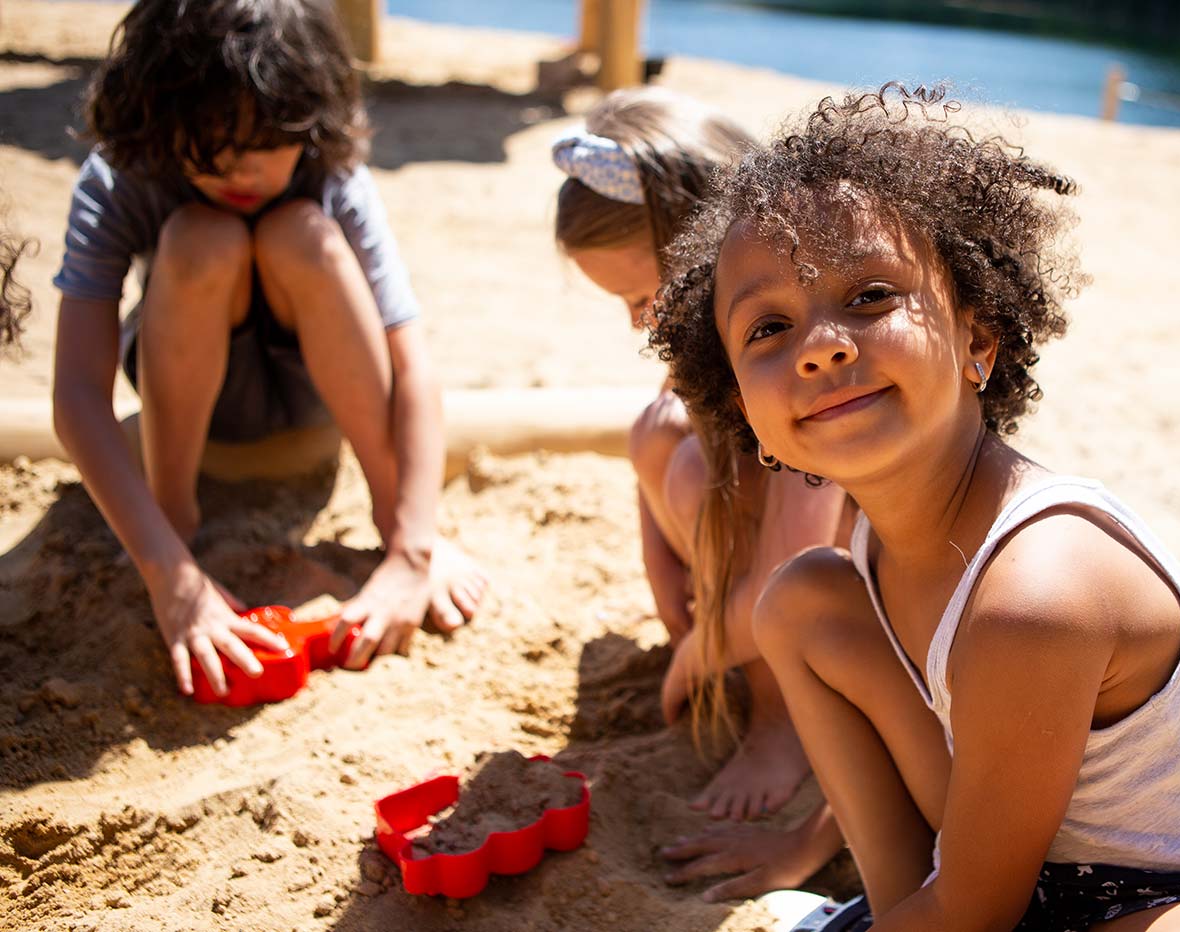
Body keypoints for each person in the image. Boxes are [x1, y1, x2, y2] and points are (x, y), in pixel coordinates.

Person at [650, 82, 1180, 928]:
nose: (824, 346)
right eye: (768, 329)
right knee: (800, 603)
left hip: (1148, 891)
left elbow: (972, 911)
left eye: (869, 297)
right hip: (1002, 874)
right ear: (748, 414)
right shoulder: (872, 557)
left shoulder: (1036, 594)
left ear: (978, 339)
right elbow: (947, 867)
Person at [52, 0, 486, 700]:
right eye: (210, 137)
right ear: (162, 116)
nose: (236, 165)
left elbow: (412, 361)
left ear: (308, 119)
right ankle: (175, 520)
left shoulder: (331, 171)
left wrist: (413, 544)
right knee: (201, 236)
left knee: (300, 233)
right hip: (194, 417)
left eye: (263, 141)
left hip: (315, 405)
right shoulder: (124, 174)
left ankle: (387, 515)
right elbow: (76, 391)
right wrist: (168, 573)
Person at [553, 86, 849, 899]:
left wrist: (696, 652)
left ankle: (782, 717)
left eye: (646, 299)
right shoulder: (721, 337)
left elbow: (798, 565)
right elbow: (665, 458)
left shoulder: (805, 365)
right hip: (766, 593)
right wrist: (677, 596)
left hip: (849, 596)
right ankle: (738, 658)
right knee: (660, 434)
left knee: (699, 466)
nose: (640, 324)